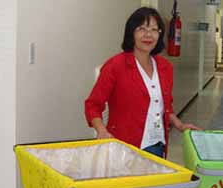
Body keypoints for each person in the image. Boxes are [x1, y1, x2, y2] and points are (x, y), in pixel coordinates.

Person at [85, 7, 200, 158]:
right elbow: (93, 104)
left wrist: (180, 125)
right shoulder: (115, 66)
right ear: (131, 32)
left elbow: (165, 106)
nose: (148, 35)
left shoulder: (165, 67)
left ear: (160, 34)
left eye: (154, 29)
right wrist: (101, 130)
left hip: (157, 145)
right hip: (124, 148)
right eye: (142, 29)